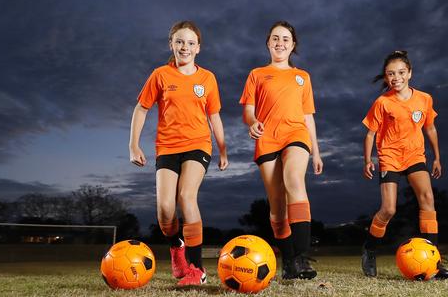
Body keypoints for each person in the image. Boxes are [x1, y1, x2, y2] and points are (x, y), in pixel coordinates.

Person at [129, 21, 228, 286]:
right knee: (164, 210)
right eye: (180, 42)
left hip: (198, 144)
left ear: (199, 48)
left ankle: (197, 270)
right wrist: (133, 145)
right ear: (171, 44)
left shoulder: (207, 78)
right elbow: (141, 108)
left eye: (190, 43)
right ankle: (177, 248)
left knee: (186, 195)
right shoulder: (160, 74)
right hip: (167, 147)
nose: (185, 47)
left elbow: (214, 115)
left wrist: (222, 147)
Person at [239, 21, 323, 279]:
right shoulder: (257, 74)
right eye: (275, 38)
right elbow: (248, 109)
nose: (280, 43)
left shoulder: (303, 77)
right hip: (267, 138)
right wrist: (253, 123)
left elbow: (308, 117)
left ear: (293, 45)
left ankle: (302, 258)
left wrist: (316, 151)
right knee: (277, 206)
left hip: (296, 134)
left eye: (286, 39)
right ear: (268, 43)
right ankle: (288, 261)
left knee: (294, 179)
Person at [360, 50, 448, 279]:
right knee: (389, 209)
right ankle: (370, 249)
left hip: (415, 156)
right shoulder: (382, 102)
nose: (396, 77)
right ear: (385, 78)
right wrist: (367, 159)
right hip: (389, 156)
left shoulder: (424, 99)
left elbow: (430, 128)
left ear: (410, 73)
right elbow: (370, 134)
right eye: (390, 74)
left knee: (428, 200)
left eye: (401, 72)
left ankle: (435, 261)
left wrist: (437, 157)